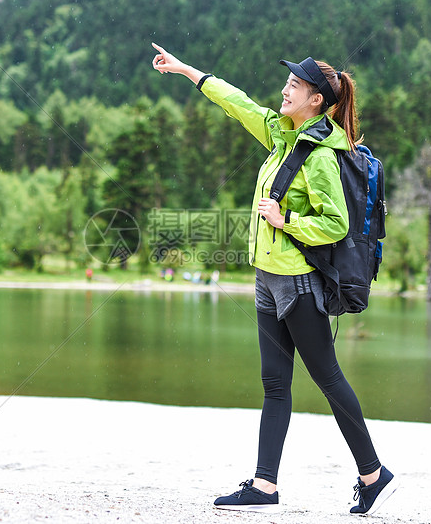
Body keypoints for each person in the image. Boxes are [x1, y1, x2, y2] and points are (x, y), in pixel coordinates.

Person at [151, 43, 399, 515]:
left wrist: (285, 221)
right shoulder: (282, 135)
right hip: (268, 280)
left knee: (327, 377)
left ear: (317, 102)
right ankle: (264, 486)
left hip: (300, 283)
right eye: (288, 82)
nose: (285, 89)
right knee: (275, 384)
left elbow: (337, 224)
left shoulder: (323, 155)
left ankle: (372, 472)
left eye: (296, 86)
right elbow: (238, 101)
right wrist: (187, 70)